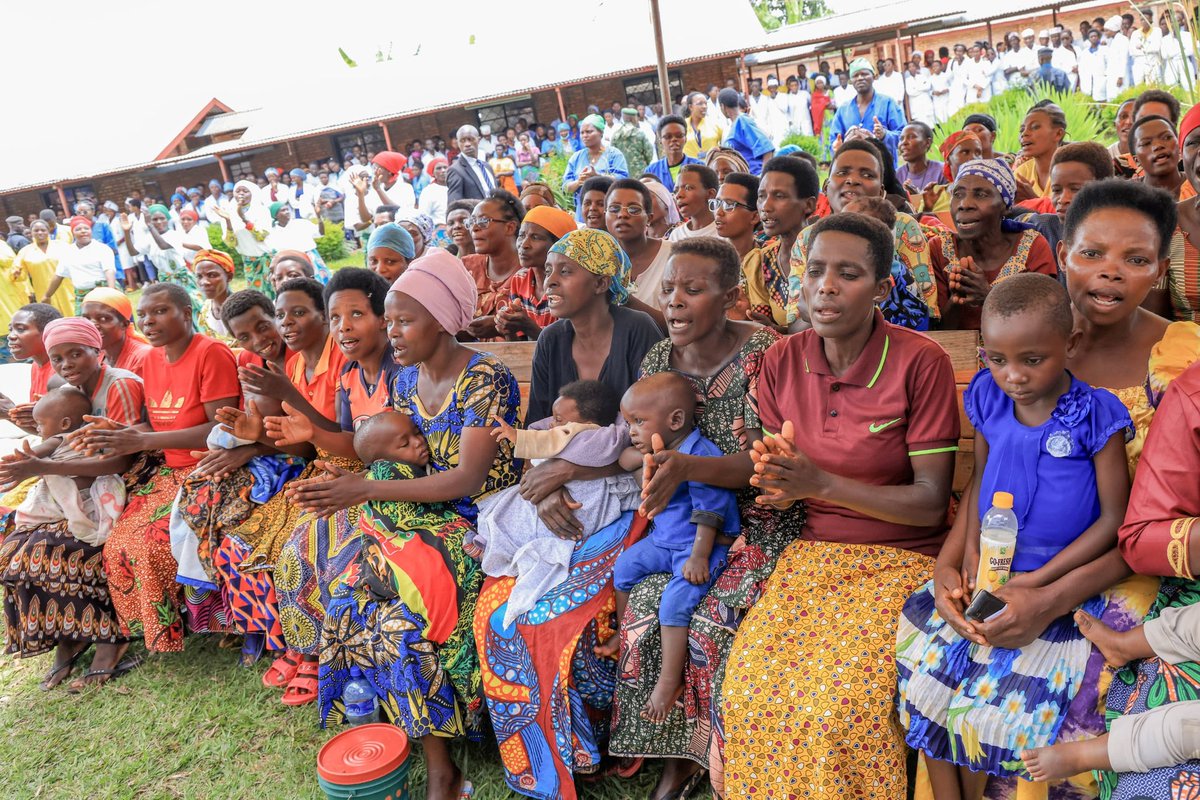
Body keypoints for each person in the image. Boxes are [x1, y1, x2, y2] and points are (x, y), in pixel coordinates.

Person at [710, 212, 958, 796]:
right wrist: (775, 476)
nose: (826, 286)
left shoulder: (920, 362)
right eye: (815, 270)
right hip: (811, 556)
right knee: (751, 686)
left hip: (901, 560)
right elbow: (773, 475)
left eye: (848, 274)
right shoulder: (783, 359)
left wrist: (819, 483)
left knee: (844, 703)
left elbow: (928, 505)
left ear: (881, 287)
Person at [285, 251, 518, 800]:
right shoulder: (409, 381)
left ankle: (444, 765)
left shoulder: (486, 378)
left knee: (398, 620)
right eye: (389, 321)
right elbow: (397, 454)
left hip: (484, 521)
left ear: (440, 319)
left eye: (403, 321)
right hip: (422, 513)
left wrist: (365, 487)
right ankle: (397, 727)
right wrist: (360, 489)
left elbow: (464, 480)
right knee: (347, 590)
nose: (393, 332)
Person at [897, 273, 1132, 798]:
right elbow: (982, 481)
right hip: (993, 572)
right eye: (997, 359)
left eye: (1032, 359)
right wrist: (957, 559)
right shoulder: (988, 399)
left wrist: (1040, 583)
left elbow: (1114, 519)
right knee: (931, 675)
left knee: (994, 694)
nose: (1013, 376)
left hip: (1062, 579)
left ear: (1069, 345)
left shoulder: (1096, 416)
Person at [74, 284, 241, 655]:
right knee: (120, 542)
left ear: (186, 312)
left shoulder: (210, 353)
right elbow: (156, 425)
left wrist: (142, 441)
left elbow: (221, 427)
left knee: (152, 545)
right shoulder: (151, 359)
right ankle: (154, 632)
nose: (149, 320)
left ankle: (198, 626)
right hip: (171, 469)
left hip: (213, 466)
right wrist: (121, 433)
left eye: (160, 311)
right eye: (144, 314)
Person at [598, 372, 740, 725]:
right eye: (629, 422)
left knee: (675, 602)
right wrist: (642, 453)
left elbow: (710, 511)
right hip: (663, 542)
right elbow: (624, 459)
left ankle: (669, 680)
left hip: (699, 545)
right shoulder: (659, 451)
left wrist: (698, 557)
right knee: (626, 566)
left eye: (639, 421)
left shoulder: (700, 454)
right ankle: (622, 629)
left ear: (675, 420)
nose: (631, 431)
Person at [0, 382, 132, 690]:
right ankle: (68, 635)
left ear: (62, 424)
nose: (39, 431)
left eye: (41, 424)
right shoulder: (60, 432)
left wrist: (32, 461)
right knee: (11, 555)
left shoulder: (71, 437)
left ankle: (108, 637)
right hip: (61, 512)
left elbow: (39, 452)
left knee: (49, 553)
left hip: (82, 514)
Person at [477, 378, 636, 624]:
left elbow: (547, 441)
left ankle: (496, 544)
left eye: (559, 420)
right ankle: (494, 541)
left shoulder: (588, 436)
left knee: (512, 513)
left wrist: (516, 436)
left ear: (588, 423)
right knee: (513, 503)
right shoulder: (591, 430)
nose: (552, 424)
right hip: (551, 493)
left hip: (580, 505)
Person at [791, 141, 939, 330]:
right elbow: (796, 322)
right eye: (842, 172)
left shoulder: (901, 226)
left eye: (867, 175)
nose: (853, 180)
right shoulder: (808, 237)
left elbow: (926, 313)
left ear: (881, 192)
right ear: (826, 187)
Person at [526, 228, 662, 421]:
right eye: (548, 271)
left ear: (601, 284)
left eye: (564, 271)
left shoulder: (637, 329)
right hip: (559, 451)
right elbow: (537, 422)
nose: (550, 281)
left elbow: (653, 419)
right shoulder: (550, 339)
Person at [929, 159, 1057, 330]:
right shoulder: (939, 248)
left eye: (981, 195)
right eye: (958, 194)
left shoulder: (1032, 246)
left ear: (1005, 207)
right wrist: (957, 299)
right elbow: (936, 332)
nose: (964, 204)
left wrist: (988, 296)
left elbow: (1046, 324)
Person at [1019, 141, 1115, 266]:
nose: (1062, 199)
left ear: (1105, 189)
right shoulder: (1040, 229)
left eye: (1075, 189)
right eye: (1056, 190)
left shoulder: (1123, 236)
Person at [461, 189, 524, 342]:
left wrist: (500, 326)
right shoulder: (466, 267)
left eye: (483, 221)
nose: (474, 228)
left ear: (510, 227)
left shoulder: (530, 273)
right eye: (471, 222)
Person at [829, 58, 907, 163]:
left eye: (865, 74)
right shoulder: (843, 110)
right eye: (855, 75)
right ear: (851, 81)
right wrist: (838, 147)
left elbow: (903, 136)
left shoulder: (887, 103)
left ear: (874, 77)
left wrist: (884, 135)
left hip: (884, 170)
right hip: (854, 170)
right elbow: (834, 142)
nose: (860, 78)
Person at [562, 114, 629, 222]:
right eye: (582, 132)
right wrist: (578, 182)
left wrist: (598, 177)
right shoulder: (576, 158)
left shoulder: (613, 154)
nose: (584, 135)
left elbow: (623, 181)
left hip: (610, 213)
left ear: (601, 133)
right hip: (584, 216)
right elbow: (565, 187)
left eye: (589, 132)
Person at [212, 180, 272, 296]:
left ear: (253, 193)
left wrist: (244, 218)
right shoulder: (229, 213)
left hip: (267, 258)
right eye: (238, 191)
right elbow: (231, 243)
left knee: (274, 290)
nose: (241, 194)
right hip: (249, 261)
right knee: (256, 294)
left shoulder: (261, 210)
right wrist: (228, 221)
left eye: (245, 191)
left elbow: (261, 236)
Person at [81, 287, 152, 375]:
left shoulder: (144, 358)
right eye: (87, 319)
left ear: (124, 324)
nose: (92, 326)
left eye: (103, 319)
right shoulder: (96, 356)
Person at [11, 220, 73, 316]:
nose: (40, 233)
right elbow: (20, 276)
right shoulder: (25, 252)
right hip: (43, 291)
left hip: (66, 288)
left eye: (43, 230)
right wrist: (16, 274)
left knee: (73, 314)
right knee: (52, 318)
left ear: (48, 231)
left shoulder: (62, 246)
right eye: (36, 230)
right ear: (31, 232)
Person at [1130, 114, 1191, 200]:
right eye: (1146, 143)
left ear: (1179, 145)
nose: (1158, 146)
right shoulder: (1125, 198)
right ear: (1136, 160)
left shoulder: (1196, 184)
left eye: (1167, 137)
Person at [264, 202, 329, 281]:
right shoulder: (273, 232)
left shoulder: (301, 223)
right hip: (290, 262)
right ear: (275, 215)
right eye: (283, 210)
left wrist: (319, 217)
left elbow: (321, 233)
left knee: (319, 281)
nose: (287, 212)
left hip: (310, 258)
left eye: (287, 209)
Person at [1014, 104, 1067, 200]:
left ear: (1058, 134)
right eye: (1022, 130)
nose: (1024, 133)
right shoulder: (1021, 173)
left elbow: (1074, 213)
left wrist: (1033, 200)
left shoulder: (1072, 171)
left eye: (1034, 127)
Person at [716, 89, 774, 176]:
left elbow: (767, 149)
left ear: (722, 106)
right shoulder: (734, 124)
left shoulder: (743, 121)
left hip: (755, 175)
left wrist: (763, 177)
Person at [645, 114, 701, 192]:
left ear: (685, 138)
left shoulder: (699, 167)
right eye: (668, 137)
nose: (674, 139)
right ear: (660, 140)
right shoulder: (651, 171)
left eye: (679, 135)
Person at [193, 250, 237, 343]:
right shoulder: (205, 312)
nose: (204, 282)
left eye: (212, 275)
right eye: (199, 276)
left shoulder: (243, 309)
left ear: (229, 277)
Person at [447, 125, 497, 204]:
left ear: (478, 140)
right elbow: (454, 204)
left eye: (470, 139)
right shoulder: (456, 170)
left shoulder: (487, 166)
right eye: (462, 141)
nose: (467, 144)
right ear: (458, 143)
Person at [668, 165, 719, 242]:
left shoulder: (724, 232)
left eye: (688, 188)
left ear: (710, 194)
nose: (678, 195)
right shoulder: (676, 236)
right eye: (675, 191)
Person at [897, 122, 944, 191]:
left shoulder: (942, 171)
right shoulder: (896, 176)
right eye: (901, 139)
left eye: (911, 137)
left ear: (928, 142)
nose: (904, 142)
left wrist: (917, 196)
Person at [611, 107, 655, 180]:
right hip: (640, 173)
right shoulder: (640, 134)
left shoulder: (616, 135)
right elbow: (649, 154)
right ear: (632, 119)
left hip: (622, 175)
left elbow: (612, 155)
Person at [683, 91, 725, 160]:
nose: (704, 106)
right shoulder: (683, 126)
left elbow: (725, 145)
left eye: (706, 103)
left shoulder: (714, 123)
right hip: (690, 168)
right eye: (700, 104)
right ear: (690, 107)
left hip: (712, 167)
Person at [904, 58, 935, 124]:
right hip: (916, 107)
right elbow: (911, 92)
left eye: (913, 66)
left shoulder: (922, 76)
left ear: (916, 67)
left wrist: (916, 88)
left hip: (926, 104)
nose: (912, 68)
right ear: (908, 69)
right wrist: (922, 88)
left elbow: (928, 86)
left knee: (931, 125)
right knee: (920, 127)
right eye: (910, 67)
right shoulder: (907, 81)